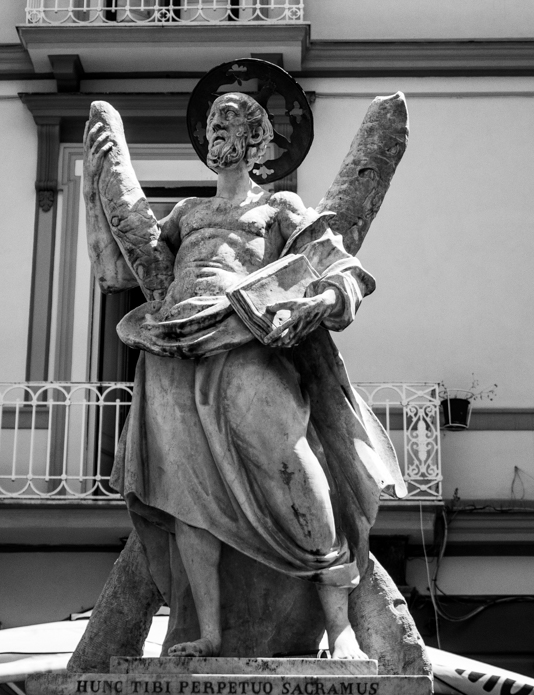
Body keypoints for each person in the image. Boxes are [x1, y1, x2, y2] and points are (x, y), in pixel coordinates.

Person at [84, 91, 405, 659]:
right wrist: (99, 172)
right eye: (213, 121)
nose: (219, 130)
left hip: (246, 341)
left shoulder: (278, 207)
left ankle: (340, 628)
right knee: (188, 497)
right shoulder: (185, 214)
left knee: (296, 467)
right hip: (172, 350)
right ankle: (207, 633)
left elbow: (336, 265)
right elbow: (121, 267)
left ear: (257, 139)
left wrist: (322, 300)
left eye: (232, 120)